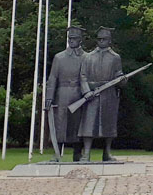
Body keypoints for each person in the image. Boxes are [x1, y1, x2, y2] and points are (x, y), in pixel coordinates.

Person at [78, 26, 124, 161]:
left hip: (109, 94)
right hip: (92, 93)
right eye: (99, 39)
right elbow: (83, 76)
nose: (101, 41)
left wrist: (122, 79)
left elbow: (118, 74)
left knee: (109, 125)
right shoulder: (88, 57)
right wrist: (86, 91)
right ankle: (86, 154)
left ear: (109, 41)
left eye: (104, 39)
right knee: (89, 124)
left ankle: (107, 153)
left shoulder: (115, 57)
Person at [44, 26, 87, 162]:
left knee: (78, 124)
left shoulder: (86, 57)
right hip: (62, 94)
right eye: (69, 38)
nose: (71, 41)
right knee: (60, 123)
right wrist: (49, 97)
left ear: (80, 40)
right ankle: (57, 153)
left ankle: (77, 153)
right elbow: (52, 78)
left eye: (74, 38)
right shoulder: (59, 57)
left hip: (79, 93)